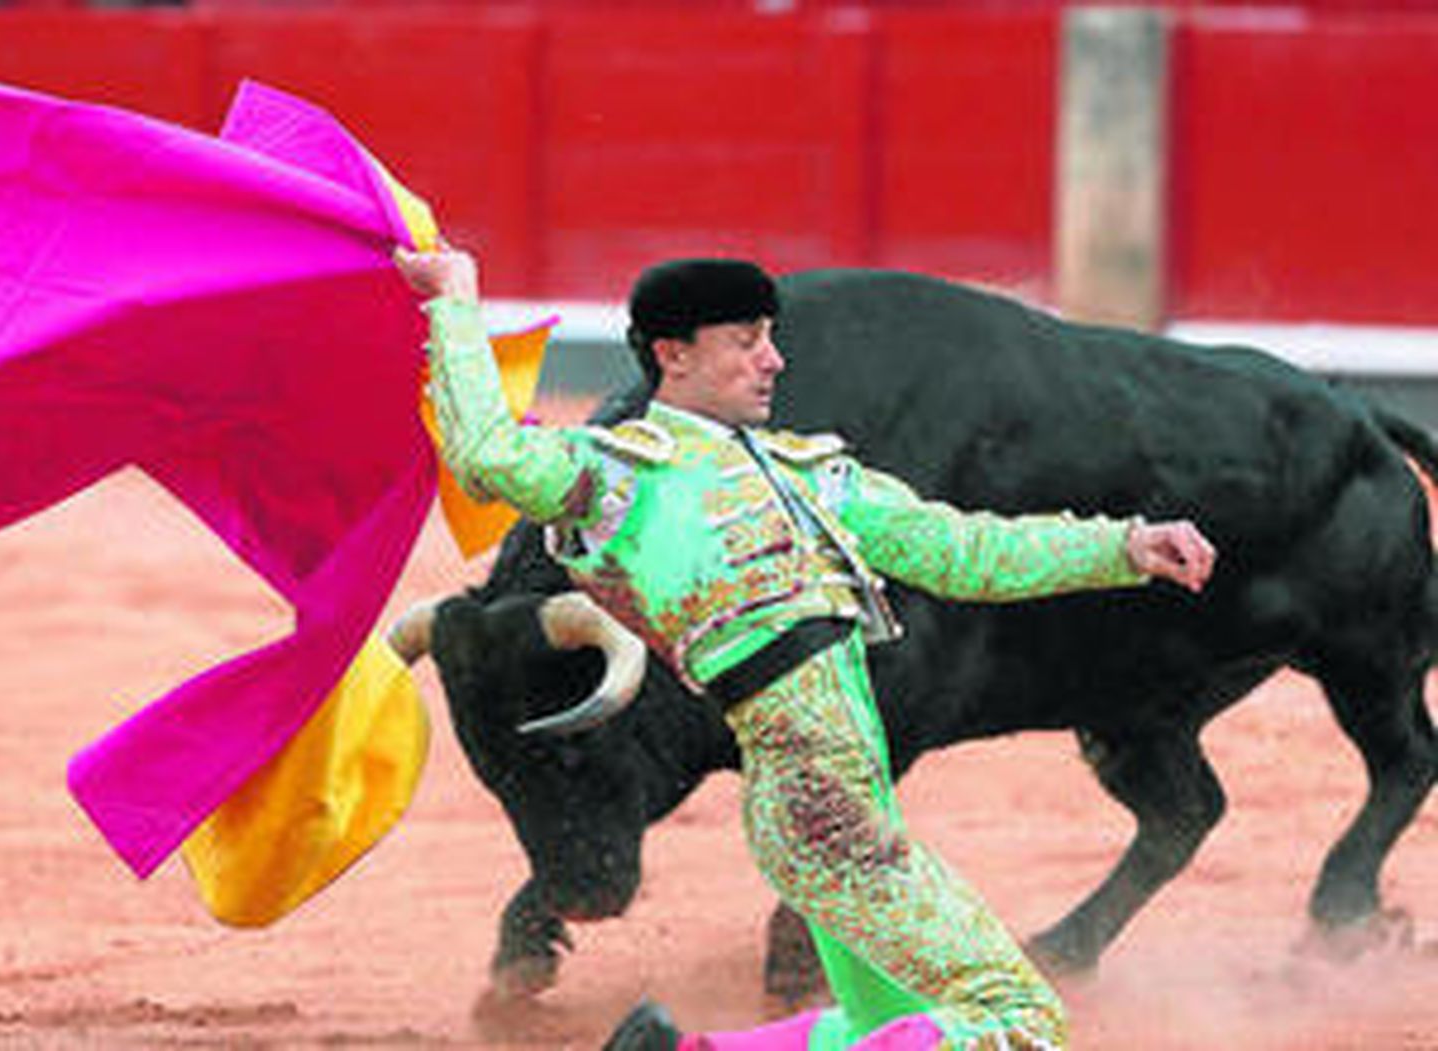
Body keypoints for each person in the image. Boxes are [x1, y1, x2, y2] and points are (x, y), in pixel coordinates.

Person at [393, 247, 1216, 1051]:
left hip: (836, 793)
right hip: (816, 800)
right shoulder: (617, 478)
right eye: (747, 340)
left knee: (870, 1029)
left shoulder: (811, 475)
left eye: (771, 337)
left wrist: (1124, 546)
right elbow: (486, 454)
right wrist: (453, 301)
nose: (775, 360)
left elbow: (961, 550)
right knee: (1020, 1021)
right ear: (672, 355)